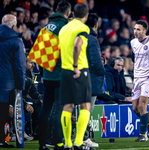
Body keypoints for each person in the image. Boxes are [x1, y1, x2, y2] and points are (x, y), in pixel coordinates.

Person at [59, 3, 94, 150]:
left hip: (64, 70)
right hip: (79, 70)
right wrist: (75, 66)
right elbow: (77, 45)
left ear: (72, 13)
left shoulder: (64, 28)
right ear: (86, 15)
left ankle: (67, 143)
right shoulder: (83, 28)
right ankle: (79, 142)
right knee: (85, 105)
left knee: (67, 106)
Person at [37, 1, 71, 150]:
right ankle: (58, 143)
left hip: (48, 76)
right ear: (68, 13)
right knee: (59, 110)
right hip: (61, 76)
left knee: (46, 109)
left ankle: (42, 144)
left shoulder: (45, 28)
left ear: (56, 10)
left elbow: (40, 54)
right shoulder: (65, 28)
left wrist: (44, 73)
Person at [131, 20, 149, 142]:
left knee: (142, 105)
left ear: (144, 31)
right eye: (134, 29)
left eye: (138, 29)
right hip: (137, 78)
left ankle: (142, 135)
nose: (135, 31)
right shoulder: (132, 42)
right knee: (135, 108)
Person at [0, 14, 26, 148]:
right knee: (4, 112)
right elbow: (20, 66)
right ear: (14, 26)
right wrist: (21, 86)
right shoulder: (16, 41)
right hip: (7, 84)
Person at [84, 13, 105, 147]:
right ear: (96, 25)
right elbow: (97, 62)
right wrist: (104, 71)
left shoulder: (78, 36)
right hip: (90, 80)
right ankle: (84, 137)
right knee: (86, 109)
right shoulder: (91, 39)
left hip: (77, 77)